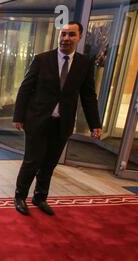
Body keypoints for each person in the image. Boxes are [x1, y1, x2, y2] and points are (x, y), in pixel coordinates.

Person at [13, 22, 102, 216]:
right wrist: (18, 116)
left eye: (71, 35)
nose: (66, 39)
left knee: (50, 163)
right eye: (63, 34)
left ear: (79, 38)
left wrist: (95, 124)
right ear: (58, 36)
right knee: (32, 161)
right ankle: (20, 196)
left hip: (62, 124)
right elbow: (25, 89)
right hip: (37, 120)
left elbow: (88, 96)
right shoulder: (42, 59)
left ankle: (40, 197)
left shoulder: (84, 64)